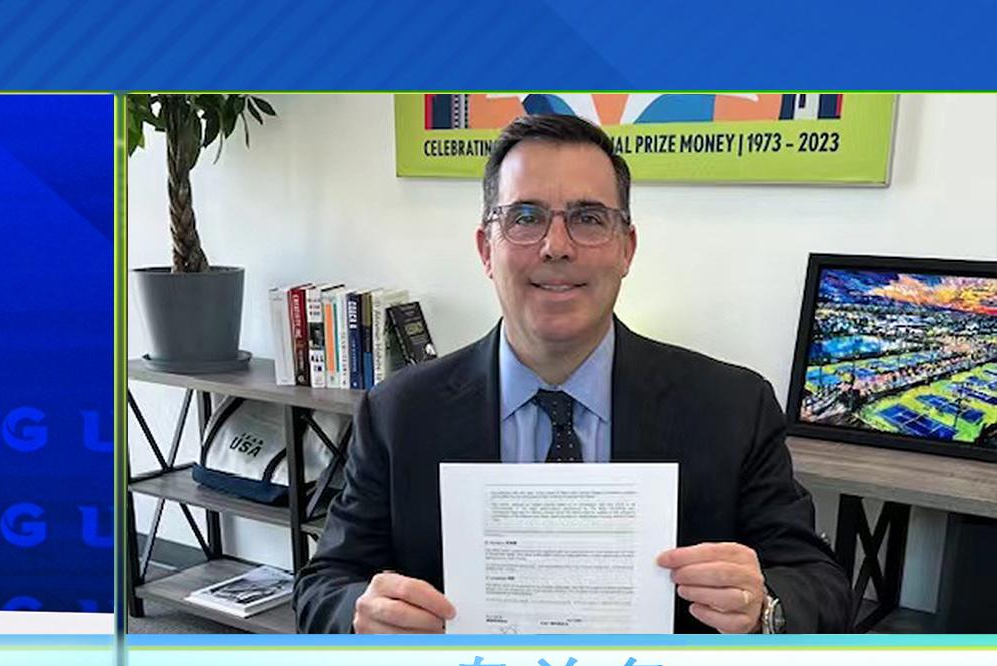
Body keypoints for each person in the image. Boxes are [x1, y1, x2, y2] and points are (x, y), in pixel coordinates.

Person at [295, 114, 851, 635]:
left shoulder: (732, 407)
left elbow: (819, 582)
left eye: (588, 218)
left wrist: (765, 606)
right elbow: (324, 584)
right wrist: (361, 615)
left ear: (626, 248)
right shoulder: (400, 412)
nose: (556, 247)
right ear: (486, 250)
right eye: (526, 217)